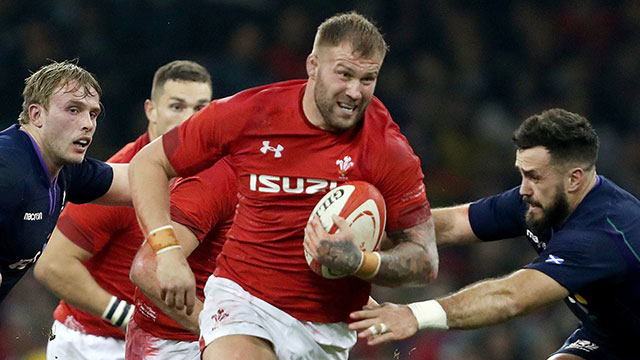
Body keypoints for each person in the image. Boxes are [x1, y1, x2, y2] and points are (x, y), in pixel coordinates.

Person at [128, 11, 439, 360]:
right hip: (243, 300)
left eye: (368, 79)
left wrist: (362, 263)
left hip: (327, 329)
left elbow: (424, 259)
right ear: (312, 66)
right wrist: (167, 251)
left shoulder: (387, 149)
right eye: (344, 74)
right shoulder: (252, 113)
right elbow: (148, 163)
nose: (354, 91)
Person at [349, 109, 640, 360]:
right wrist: (368, 233)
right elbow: (454, 223)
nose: (524, 189)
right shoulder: (540, 199)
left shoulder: (604, 234)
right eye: (523, 174)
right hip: (607, 332)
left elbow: (511, 297)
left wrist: (414, 315)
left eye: (535, 177)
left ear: (575, 178)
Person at [33, 60, 216, 360]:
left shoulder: (214, 171)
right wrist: (128, 318)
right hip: (94, 344)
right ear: (151, 110)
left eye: (200, 108)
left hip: (176, 341)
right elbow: (53, 266)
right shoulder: (120, 177)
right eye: (177, 106)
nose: (189, 119)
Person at [0, 60, 129, 304]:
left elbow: (142, 182)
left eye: (93, 114)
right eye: (73, 109)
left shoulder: (65, 169)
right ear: (36, 114)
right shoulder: (8, 169)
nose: (88, 124)